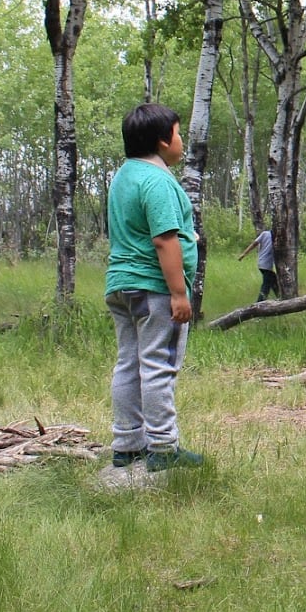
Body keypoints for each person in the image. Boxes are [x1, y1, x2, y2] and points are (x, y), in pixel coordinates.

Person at [104, 103, 204, 472]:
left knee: (128, 363)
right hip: (155, 289)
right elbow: (164, 240)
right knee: (158, 365)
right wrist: (179, 293)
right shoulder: (159, 181)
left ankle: (127, 444)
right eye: (179, 134)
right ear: (163, 141)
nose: (182, 142)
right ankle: (162, 447)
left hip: (121, 286)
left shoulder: (123, 177)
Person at [238, 229, 276, 302]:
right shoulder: (273, 236)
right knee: (266, 285)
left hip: (261, 263)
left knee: (273, 280)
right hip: (267, 264)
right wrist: (244, 254)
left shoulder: (265, 234)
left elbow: (254, 244)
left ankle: (281, 296)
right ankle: (259, 302)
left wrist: (244, 254)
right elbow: (254, 244)